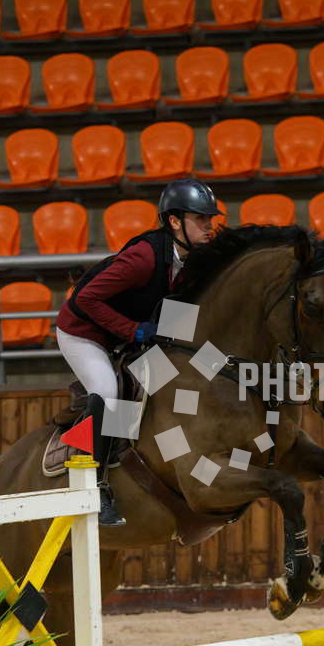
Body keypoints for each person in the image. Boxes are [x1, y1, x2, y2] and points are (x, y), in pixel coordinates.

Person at [56, 179, 223, 527]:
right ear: (174, 222)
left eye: (210, 219)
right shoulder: (143, 258)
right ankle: (96, 486)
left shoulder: (194, 261)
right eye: (200, 219)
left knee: (177, 379)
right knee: (108, 392)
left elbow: (181, 317)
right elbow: (85, 299)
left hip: (129, 335)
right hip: (84, 333)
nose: (209, 226)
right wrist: (133, 331)